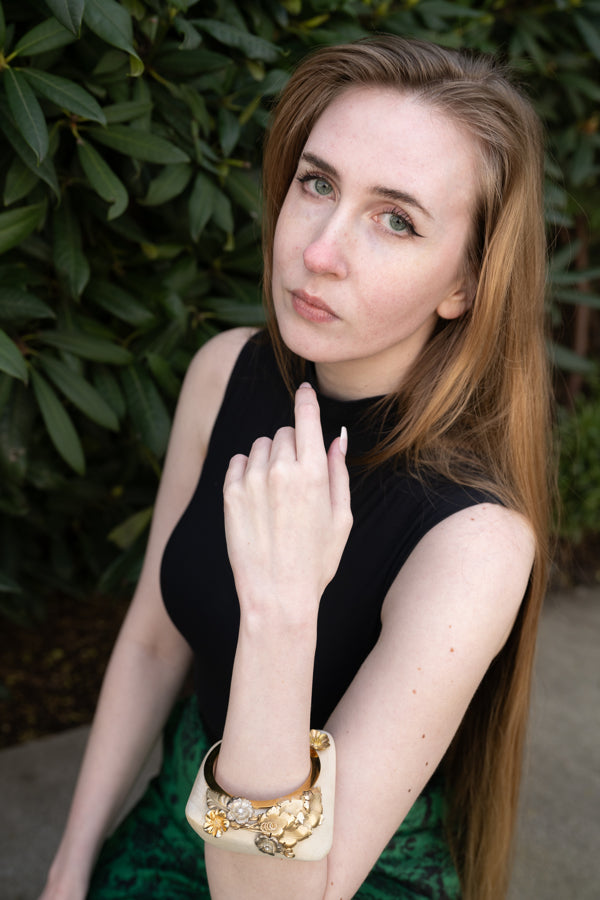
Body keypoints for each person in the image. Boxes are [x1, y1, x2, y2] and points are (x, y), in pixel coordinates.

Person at [40, 34, 552, 900]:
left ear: (464, 283)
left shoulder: (475, 541)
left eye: (397, 220)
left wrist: (281, 608)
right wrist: (68, 867)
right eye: (317, 184)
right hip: (174, 815)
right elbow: (153, 641)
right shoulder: (226, 371)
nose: (319, 251)